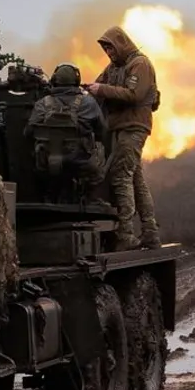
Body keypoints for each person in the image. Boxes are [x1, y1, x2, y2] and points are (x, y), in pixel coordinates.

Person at [85, 25, 159, 250]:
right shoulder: (114, 67)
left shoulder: (140, 64)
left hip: (133, 127)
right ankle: (150, 232)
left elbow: (133, 94)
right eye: (105, 49)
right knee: (136, 179)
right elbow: (98, 85)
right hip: (119, 128)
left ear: (121, 43)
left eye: (111, 47)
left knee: (121, 176)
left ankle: (126, 234)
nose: (109, 53)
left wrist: (101, 90)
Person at [24, 63, 109, 204]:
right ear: (76, 81)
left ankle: (47, 194)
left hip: (46, 161)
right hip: (80, 160)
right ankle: (90, 195)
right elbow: (102, 131)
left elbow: (28, 132)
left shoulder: (42, 104)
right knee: (99, 147)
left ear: (54, 80)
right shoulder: (88, 102)